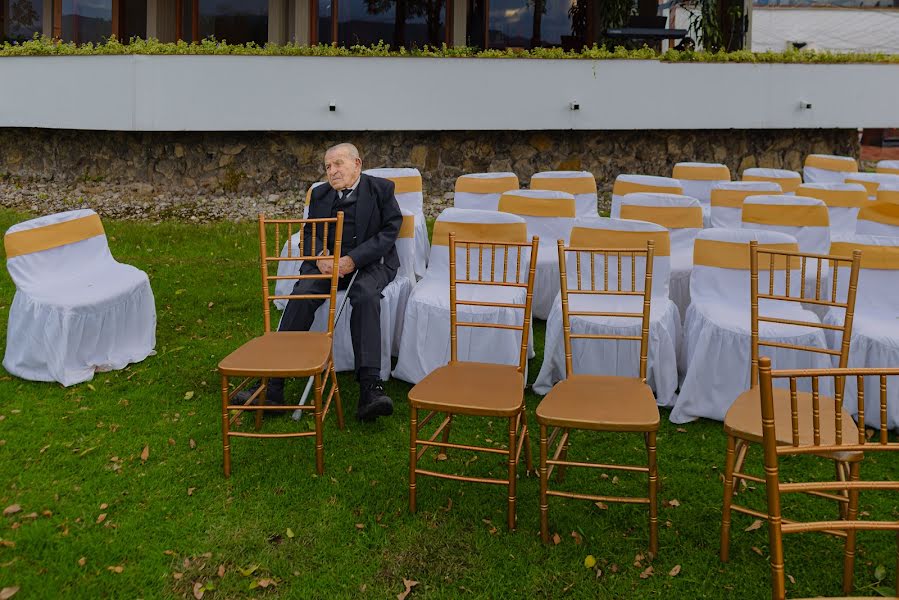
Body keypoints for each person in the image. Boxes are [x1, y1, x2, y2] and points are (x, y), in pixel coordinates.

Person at [240, 143, 403, 422]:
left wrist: (353, 259)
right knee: (302, 293)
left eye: (338, 164)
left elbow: (390, 231)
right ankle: (273, 384)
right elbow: (309, 232)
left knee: (365, 296)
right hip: (326, 264)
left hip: (369, 264)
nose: (332, 171)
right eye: (328, 166)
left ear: (357, 163)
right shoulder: (320, 194)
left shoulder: (381, 189)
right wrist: (321, 257)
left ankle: (370, 388)